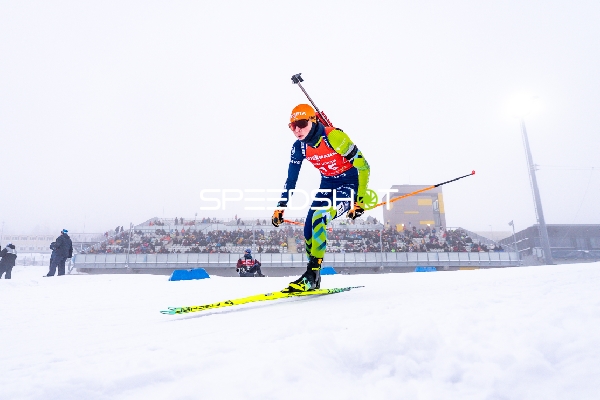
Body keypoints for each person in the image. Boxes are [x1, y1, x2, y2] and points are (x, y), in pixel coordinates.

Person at [272, 104, 370, 292]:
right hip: (327, 186)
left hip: (348, 185)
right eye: (292, 126)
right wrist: (280, 207)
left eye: (301, 123)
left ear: (314, 120)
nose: (297, 130)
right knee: (308, 229)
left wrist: (360, 201)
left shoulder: (334, 137)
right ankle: (315, 278)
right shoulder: (299, 147)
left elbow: (364, 167)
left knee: (320, 216)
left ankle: (311, 274)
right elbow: (291, 179)